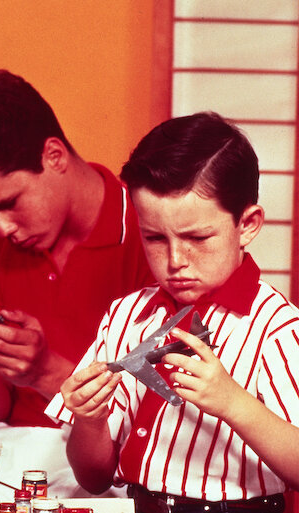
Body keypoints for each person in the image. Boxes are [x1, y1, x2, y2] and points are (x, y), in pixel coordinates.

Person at [0, 69, 152, 501]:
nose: (1, 229)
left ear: (53, 156)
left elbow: (160, 419)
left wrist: (45, 372)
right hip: (11, 448)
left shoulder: (150, 233)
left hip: (115, 458)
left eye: (9, 204)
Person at [50, 112, 298, 511]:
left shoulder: (276, 328)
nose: (175, 261)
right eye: (154, 238)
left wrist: (233, 402)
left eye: (197, 238)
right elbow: (93, 478)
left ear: (248, 225)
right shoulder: (124, 316)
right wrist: (90, 420)